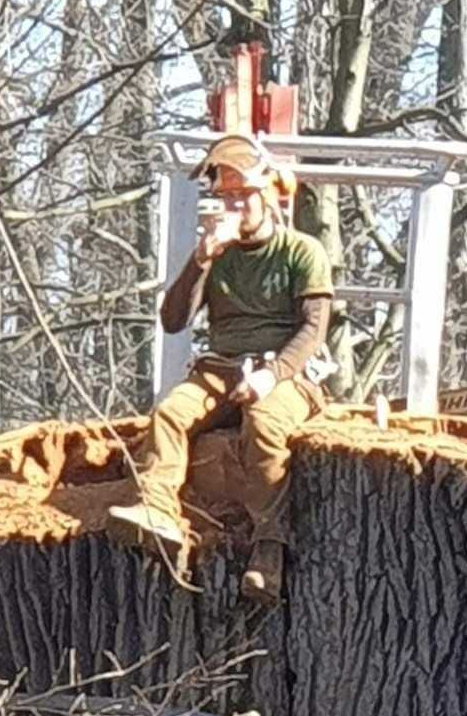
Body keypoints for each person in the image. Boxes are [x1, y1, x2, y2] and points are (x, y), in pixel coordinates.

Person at [108, 136, 333, 603]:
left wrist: (272, 375)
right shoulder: (217, 253)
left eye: (243, 195)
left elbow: (312, 329)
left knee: (265, 424)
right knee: (170, 413)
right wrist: (201, 260)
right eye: (226, 196)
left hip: (287, 374)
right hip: (219, 370)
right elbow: (173, 321)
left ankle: (269, 550)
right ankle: (156, 510)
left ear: (268, 193)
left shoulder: (301, 251)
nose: (234, 205)